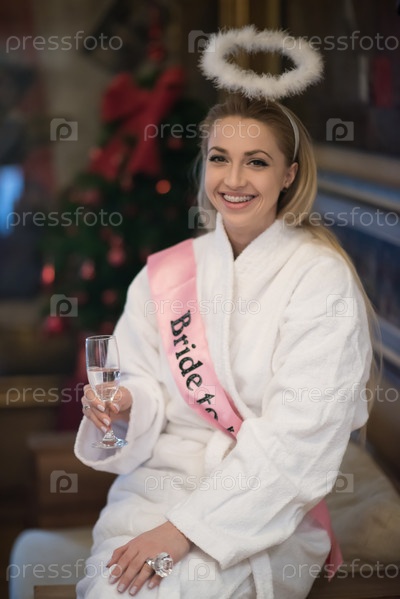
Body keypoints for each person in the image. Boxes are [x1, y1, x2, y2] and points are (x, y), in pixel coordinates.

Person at [74, 28, 376, 599]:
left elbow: (299, 442)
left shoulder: (320, 280)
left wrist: (184, 531)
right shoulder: (166, 274)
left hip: (262, 512)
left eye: (256, 162)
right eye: (220, 159)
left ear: (288, 175)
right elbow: (142, 383)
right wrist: (124, 405)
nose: (233, 181)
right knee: (113, 589)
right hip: (153, 492)